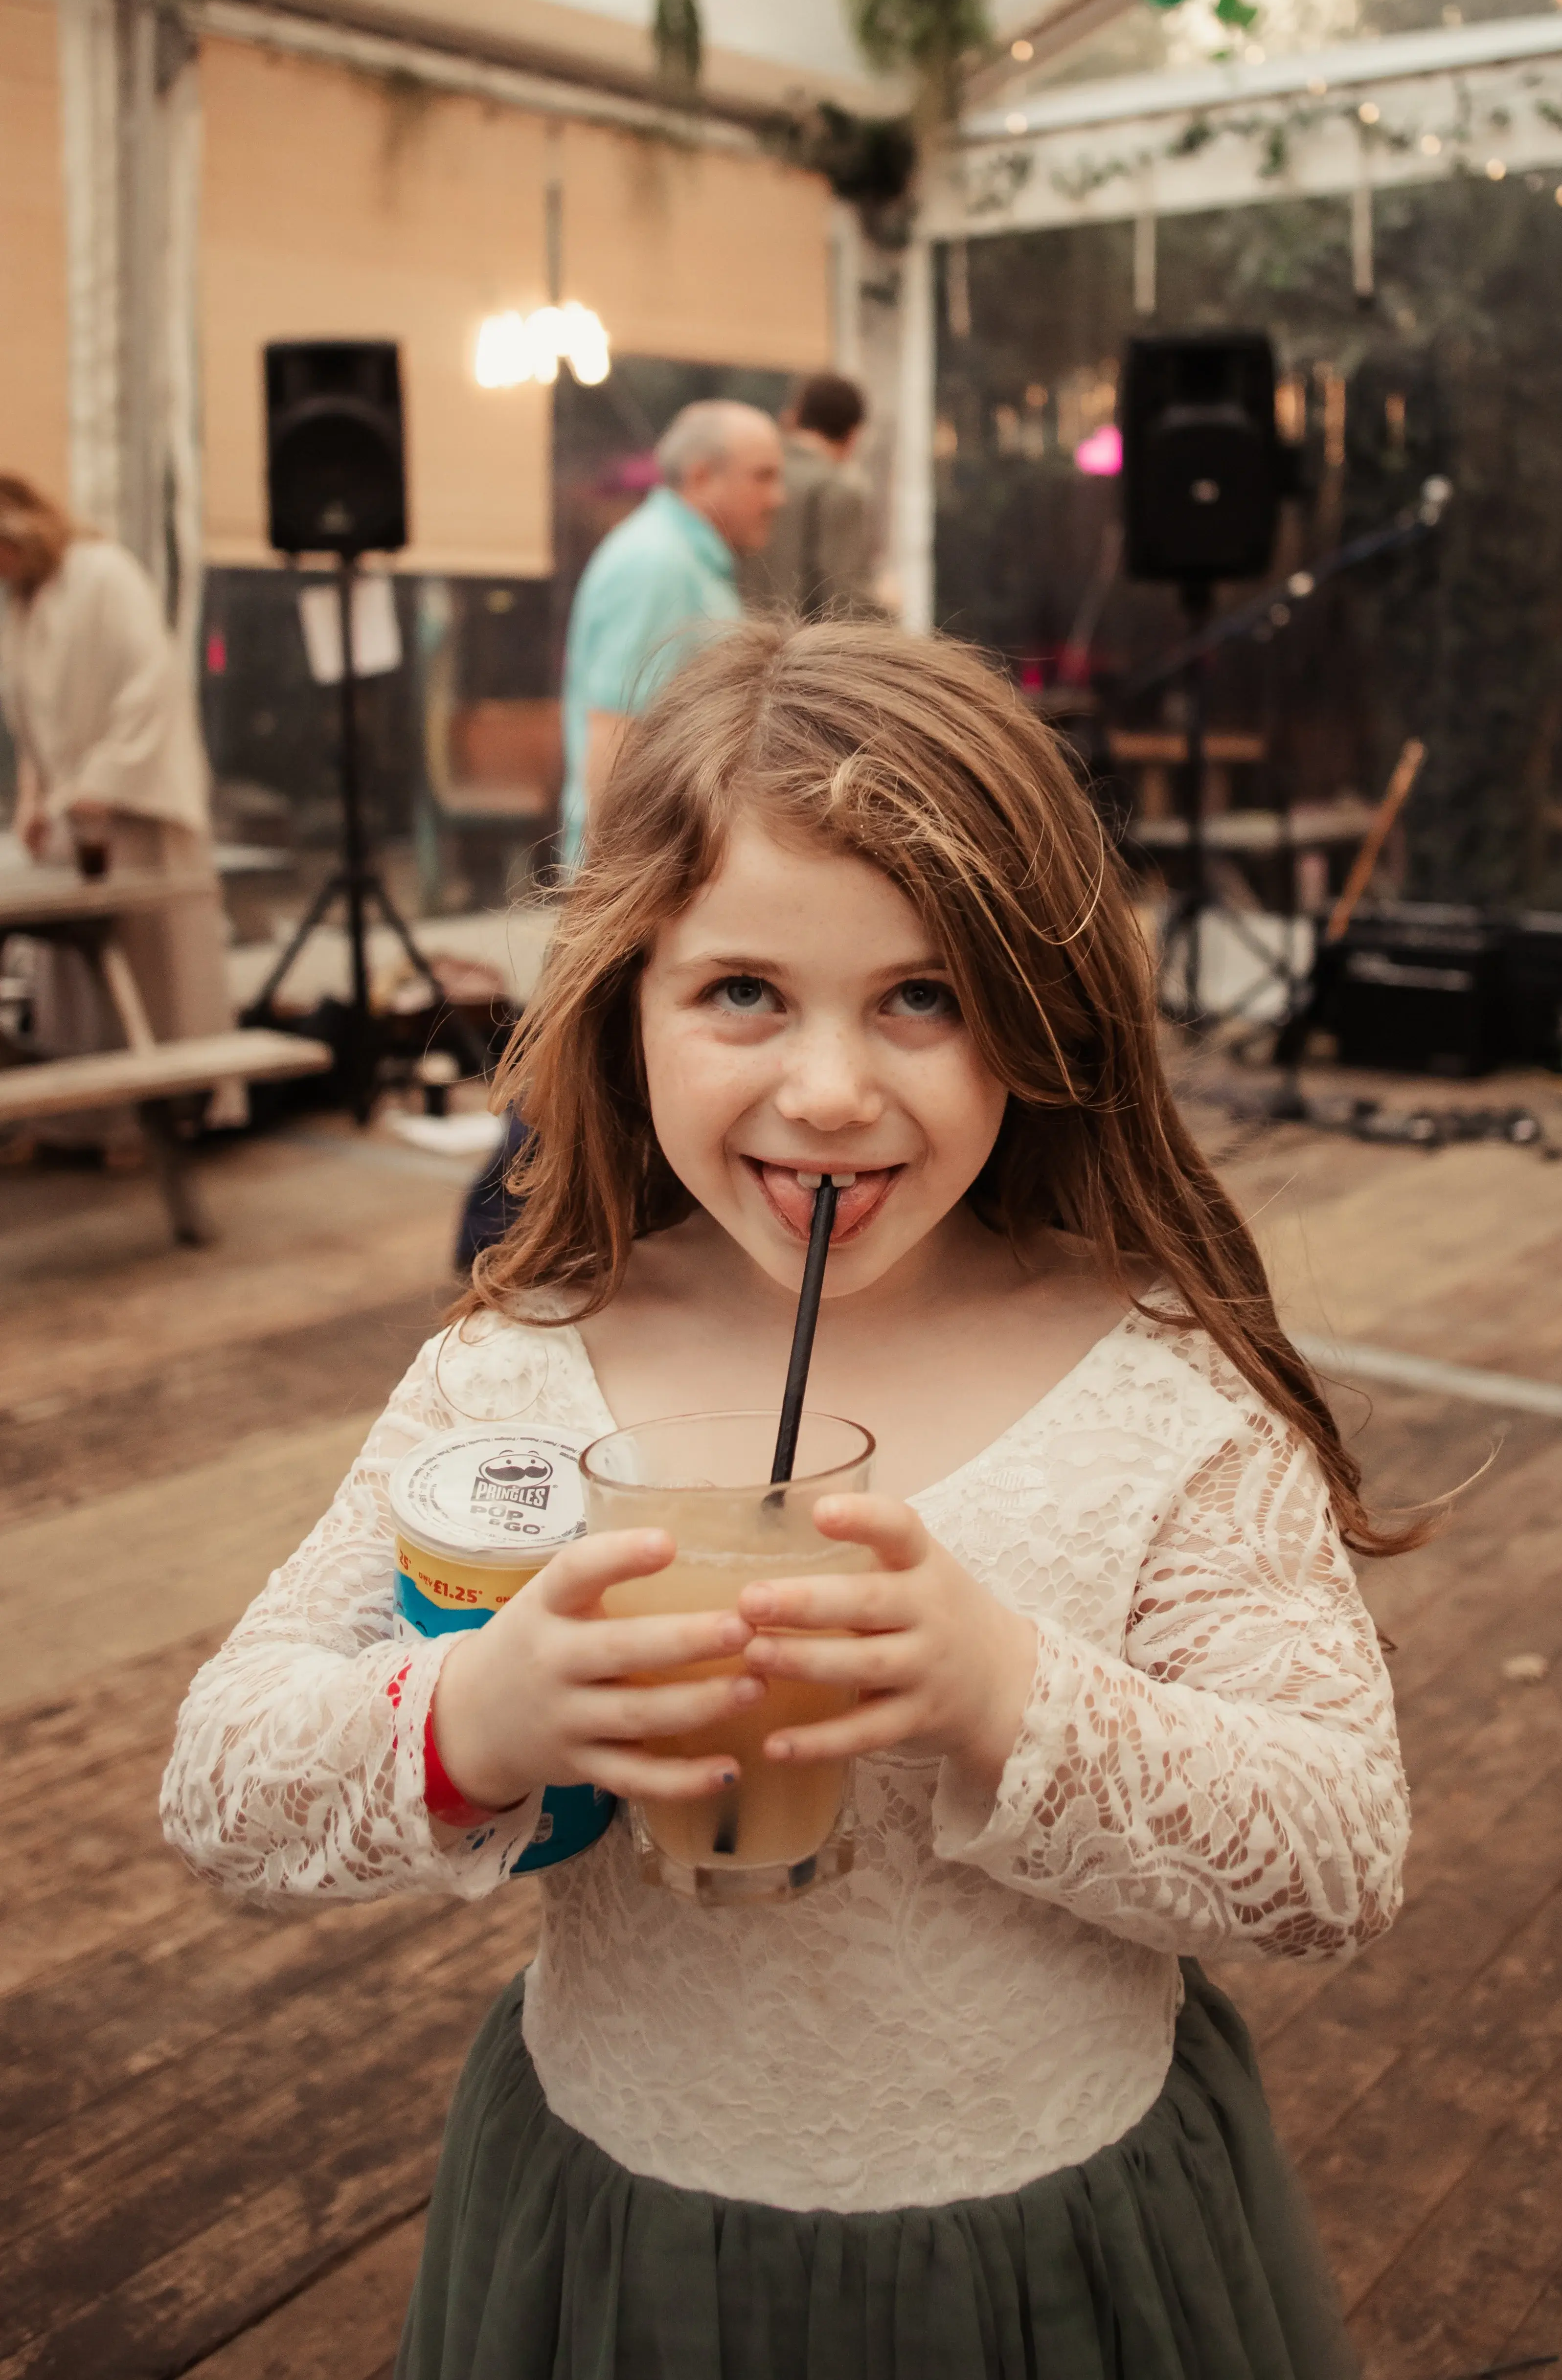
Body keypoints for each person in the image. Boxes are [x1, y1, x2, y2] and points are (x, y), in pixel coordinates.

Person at [163, 620, 1420, 2380]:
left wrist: (1008, 1693)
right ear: (631, 1000)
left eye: (922, 995)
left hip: (1059, 2260)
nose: (829, 1093)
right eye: (743, 990)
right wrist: (478, 1712)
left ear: (1031, 1015)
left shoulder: (1152, 1386)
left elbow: (1338, 1846)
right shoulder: (521, 1372)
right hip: (622, 2246)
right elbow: (221, 1776)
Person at [0, 472, 235, 1135]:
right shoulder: (21, 604)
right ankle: (84, 1121)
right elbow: (33, 724)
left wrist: (100, 780)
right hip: (74, 811)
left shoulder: (103, 574)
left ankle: (156, 1123)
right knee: (77, 975)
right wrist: (37, 794)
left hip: (129, 804)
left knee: (145, 968)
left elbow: (150, 688)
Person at [556, 398, 784, 870]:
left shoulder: (678, 556)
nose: (777, 497)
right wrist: (613, 890)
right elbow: (614, 730)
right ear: (702, 477)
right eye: (762, 477)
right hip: (645, 868)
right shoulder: (658, 563)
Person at [742, 370, 882, 624]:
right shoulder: (839, 491)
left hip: (743, 645)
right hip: (803, 653)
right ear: (853, 435)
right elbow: (845, 598)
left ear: (795, 418)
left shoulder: (752, 477)